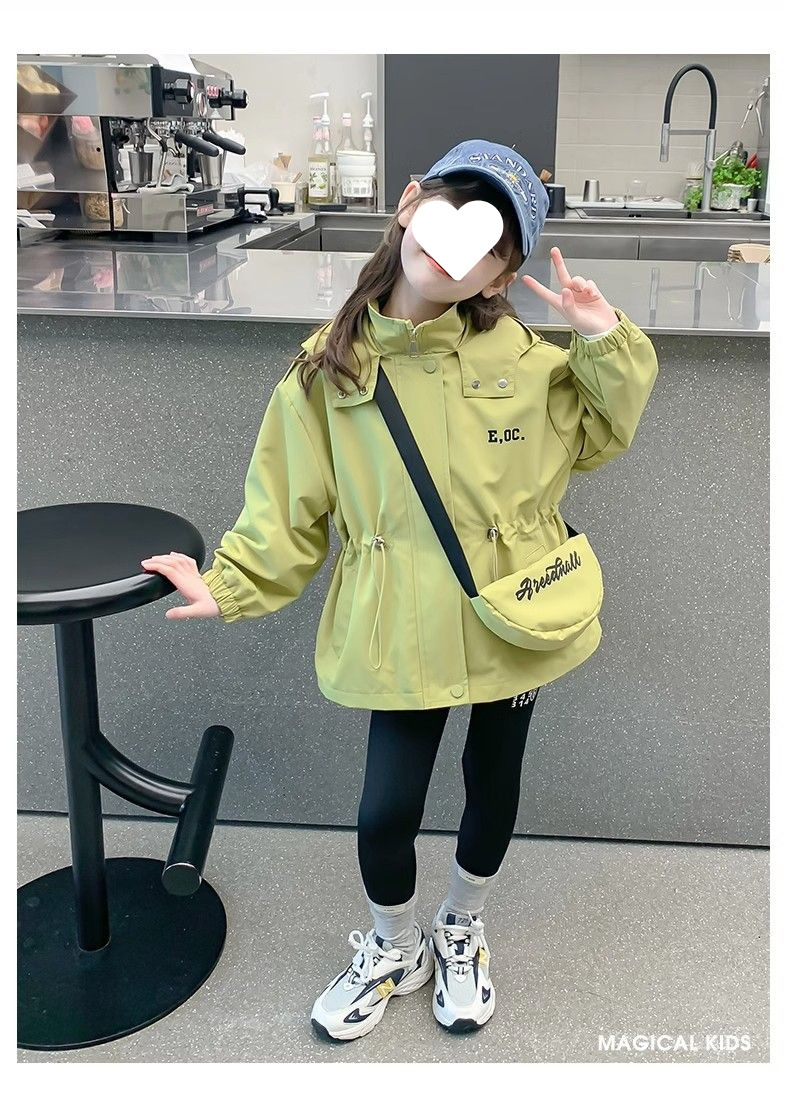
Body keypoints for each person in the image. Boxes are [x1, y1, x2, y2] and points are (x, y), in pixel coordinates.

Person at [140, 139, 659, 1042]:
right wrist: (230, 583)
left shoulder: (528, 359)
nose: (459, 251)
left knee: (493, 784)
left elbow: (606, 432)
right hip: (400, 620)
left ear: (500, 276)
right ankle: (394, 943)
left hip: (514, 613)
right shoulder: (327, 370)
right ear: (410, 202)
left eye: (490, 245)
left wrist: (600, 335)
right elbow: (288, 506)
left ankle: (461, 926)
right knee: (385, 809)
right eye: (453, 213)